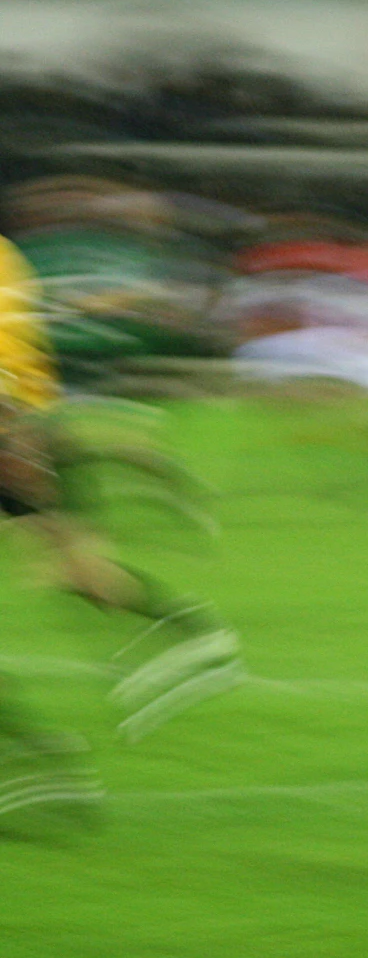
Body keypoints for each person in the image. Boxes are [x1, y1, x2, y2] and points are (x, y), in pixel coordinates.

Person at [0, 224, 240, 745]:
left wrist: (14, 426)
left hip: (15, 433)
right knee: (75, 572)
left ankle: (195, 637)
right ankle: (188, 638)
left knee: (77, 568)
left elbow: (9, 352)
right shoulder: (8, 255)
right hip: (28, 425)